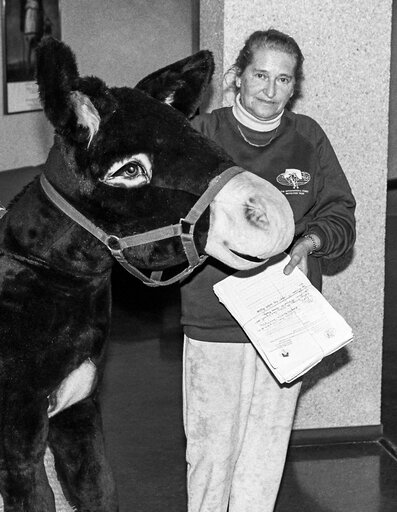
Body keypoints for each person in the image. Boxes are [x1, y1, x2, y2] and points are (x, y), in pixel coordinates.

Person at [180, 28, 356, 512]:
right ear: (237, 77)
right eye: (260, 75)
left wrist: (313, 239)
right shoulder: (201, 136)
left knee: (265, 453)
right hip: (214, 320)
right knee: (212, 452)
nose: (270, 89)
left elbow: (339, 211)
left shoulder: (308, 138)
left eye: (284, 79)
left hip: (286, 318)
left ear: (293, 88)